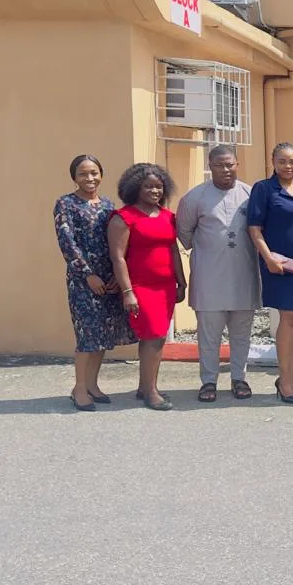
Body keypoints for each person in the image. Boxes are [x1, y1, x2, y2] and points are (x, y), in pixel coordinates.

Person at [175, 145, 261, 403]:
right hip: (209, 279)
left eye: (230, 164)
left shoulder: (250, 195)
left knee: (241, 334)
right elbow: (184, 234)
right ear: (210, 166)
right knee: (209, 336)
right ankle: (209, 381)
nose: (225, 169)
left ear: (237, 165)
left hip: (244, 276)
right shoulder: (195, 198)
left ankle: (239, 378)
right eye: (219, 165)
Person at [54, 155, 136, 411]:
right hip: (83, 281)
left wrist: (115, 276)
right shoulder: (66, 204)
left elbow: (116, 243)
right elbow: (67, 243)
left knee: (102, 334)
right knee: (87, 334)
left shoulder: (108, 204)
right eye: (83, 173)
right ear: (74, 177)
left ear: (101, 174)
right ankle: (79, 388)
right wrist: (88, 274)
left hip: (108, 280)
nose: (89, 178)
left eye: (94, 173)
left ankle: (92, 384)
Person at [107, 163, 186, 411]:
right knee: (155, 337)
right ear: (135, 188)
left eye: (159, 186)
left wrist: (181, 281)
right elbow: (118, 258)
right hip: (140, 287)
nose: (155, 191)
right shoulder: (123, 218)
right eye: (148, 186)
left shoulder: (167, 216)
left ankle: (145, 386)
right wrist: (127, 292)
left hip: (165, 287)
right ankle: (151, 392)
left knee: (154, 339)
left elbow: (173, 250)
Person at [248, 143, 293, 405]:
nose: (288, 166)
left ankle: (287, 377)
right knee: (288, 316)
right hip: (278, 263)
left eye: (292, 161)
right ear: (273, 162)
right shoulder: (264, 189)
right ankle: (286, 382)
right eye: (283, 161)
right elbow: (254, 229)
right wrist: (268, 259)